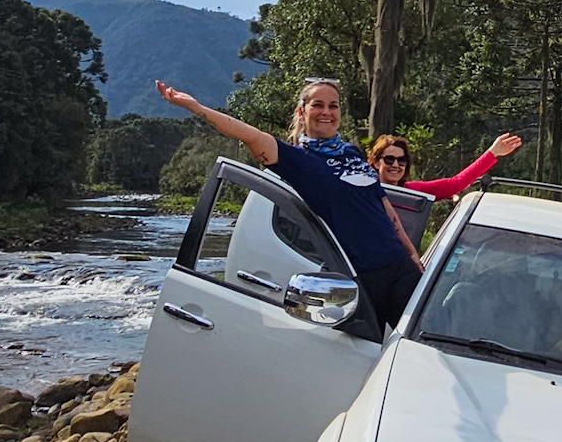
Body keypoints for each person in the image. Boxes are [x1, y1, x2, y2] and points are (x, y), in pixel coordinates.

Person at [154, 77, 423, 332]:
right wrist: (198, 108)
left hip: (401, 270)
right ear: (302, 112)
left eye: (333, 105)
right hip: (358, 283)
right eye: (317, 105)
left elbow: (383, 206)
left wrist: (412, 255)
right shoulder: (297, 160)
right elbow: (250, 135)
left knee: (425, 348)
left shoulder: (351, 152)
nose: (326, 112)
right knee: (366, 357)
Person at [368, 130, 524, 200]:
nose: (396, 165)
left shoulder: (414, 191)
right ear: (375, 162)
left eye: (401, 160)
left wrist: (492, 153)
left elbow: (456, 183)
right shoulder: (363, 191)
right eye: (389, 159)